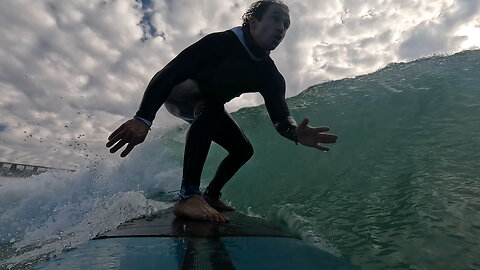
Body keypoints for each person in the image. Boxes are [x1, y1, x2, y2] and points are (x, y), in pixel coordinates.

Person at [106, 0, 338, 224]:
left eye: (286, 25)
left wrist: (295, 133)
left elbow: (280, 118)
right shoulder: (221, 42)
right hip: (179, 94)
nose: (281, 28)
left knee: (243, 150)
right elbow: (170, 72)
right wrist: (143, 117)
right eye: (276, 19)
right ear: (253, 22)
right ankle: (187, 196)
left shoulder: (270, 75)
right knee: (212, 108)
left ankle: (211, 196)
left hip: (208, 104)